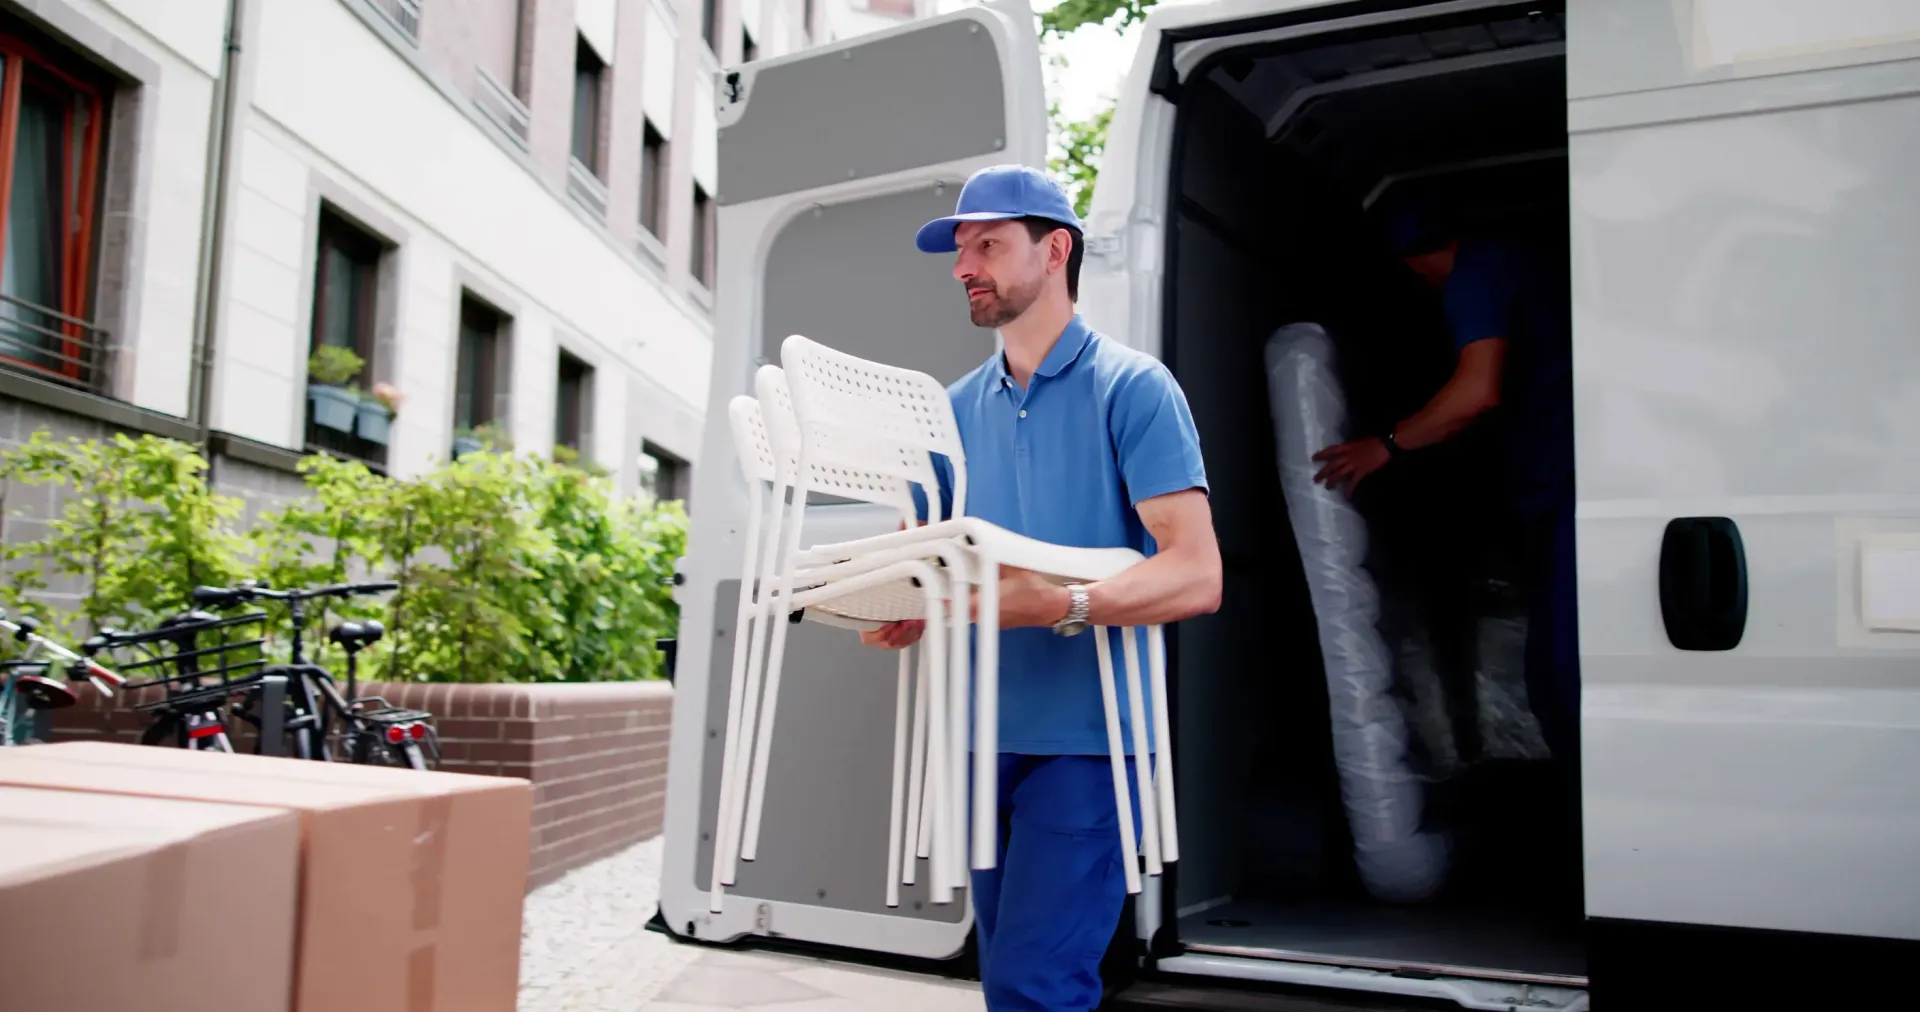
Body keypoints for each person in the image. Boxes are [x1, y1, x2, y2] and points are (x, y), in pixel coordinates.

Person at [858, 164, 1223, 1010]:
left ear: (1055, 250)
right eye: (960, 250)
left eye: (987, 244)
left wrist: (1065, 604)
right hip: (977, 738)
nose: (964, 266)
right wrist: (903, 604)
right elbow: (928, 556)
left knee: (1034, 985)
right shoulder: (946, 413)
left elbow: (1196, 573)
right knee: (1010, 981)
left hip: (1089, 745)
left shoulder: (1134, 390)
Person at [1311, 199, 1580, 912]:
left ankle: (1591, 870)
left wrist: (1385, 444)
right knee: (1556, 679)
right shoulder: (1518, 261)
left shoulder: (1477, 272)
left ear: (1417, 259)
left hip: (1571, 497)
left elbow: (1477, 388)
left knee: (1561, 682)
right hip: (1560, 497)